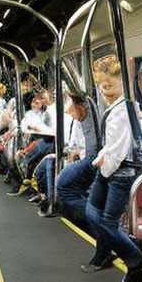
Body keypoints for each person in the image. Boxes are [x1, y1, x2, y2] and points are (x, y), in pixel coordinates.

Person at [81, 55, 142, 282]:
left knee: (108, 222)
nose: (103, 91)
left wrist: (104, 166)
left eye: (108, 85)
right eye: (101, 86)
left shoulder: (121, 112)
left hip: (121, 172)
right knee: (92, 210)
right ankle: (108, 253)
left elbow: (118, 151)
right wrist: (101, 160)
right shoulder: (116, 108)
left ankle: (135, 259)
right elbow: (111, 147)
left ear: (123, 84)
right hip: (112, 168)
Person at [58, 91, 101, 226]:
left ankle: (97, 222)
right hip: (87, 157)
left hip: (91, 159)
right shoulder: (84, 116)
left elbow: (92, 149)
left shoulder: (87, 108)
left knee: (64, 185)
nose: (69, 113)